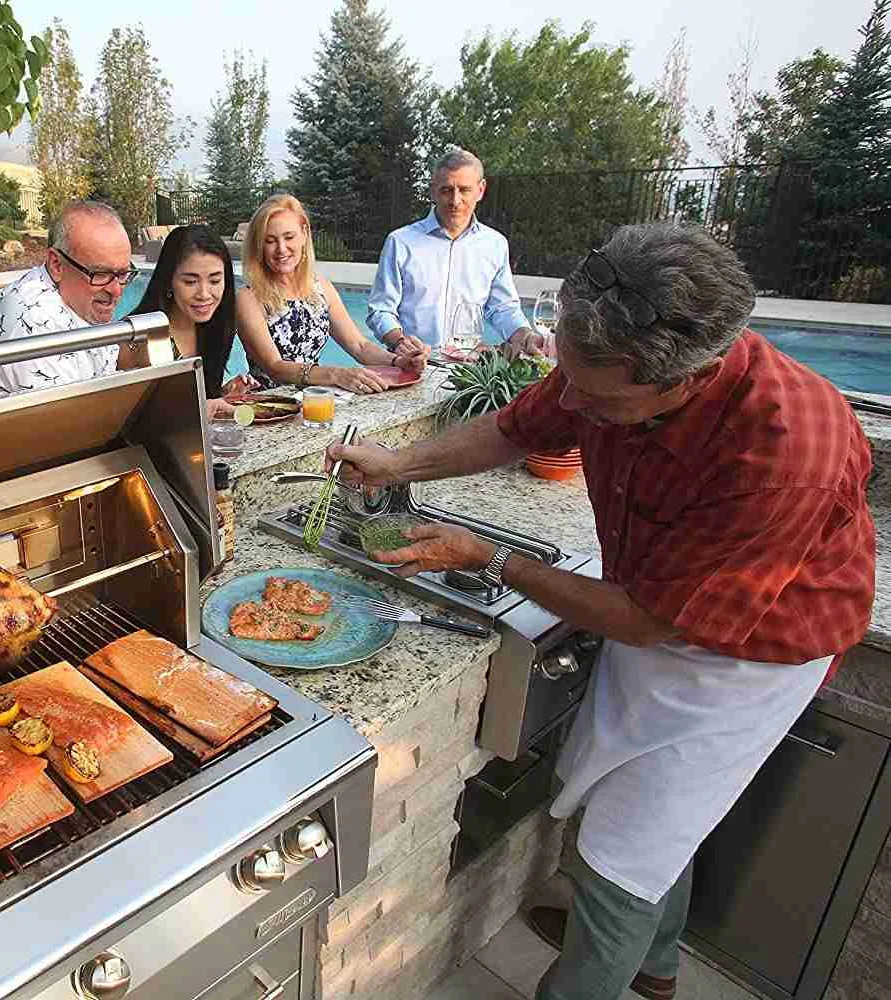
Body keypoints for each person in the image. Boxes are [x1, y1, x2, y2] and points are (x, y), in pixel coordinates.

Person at [326, 222, 874, 1000]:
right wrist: (399, 460)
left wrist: (491, 559)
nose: (572, 402)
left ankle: (604, 966)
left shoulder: (784, 457)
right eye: (571, 378)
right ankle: (656, 967)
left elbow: (656, 622)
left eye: (598, 395)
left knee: (621, 863)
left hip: (751, 657)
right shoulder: (607, 358)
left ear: (691, 379)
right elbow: (520, 427)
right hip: (663, 605)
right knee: (660, 829)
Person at [235, 194, 428, 393]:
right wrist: (336, 375)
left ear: (304, 234)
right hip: (270, 409)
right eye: (270, 241)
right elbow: (274, 367)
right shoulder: (248, 298)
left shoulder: (320, 287)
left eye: (289, 237)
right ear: (259, 246)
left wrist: (398, 361)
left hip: (314, 401)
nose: (281, 249)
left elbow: (359, 346)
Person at [366, 148, 544, 358]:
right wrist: (400, 342)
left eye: (464, 190)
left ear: (481, 190)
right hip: (412, 364)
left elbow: (502, 308)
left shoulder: (495, 245)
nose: (455, 200)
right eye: (446, 190)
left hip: (470, 369)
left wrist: (525, 335)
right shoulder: (401, 242)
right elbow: (381, 310)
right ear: (433, 190)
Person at [0, 200, 138, 402]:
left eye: (123, 273)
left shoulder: (76, 301)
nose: (116, 290)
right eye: (100, 274)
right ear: (57, 264)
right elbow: (69, 426)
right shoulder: (35, 324)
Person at [119, 224, 254, 418]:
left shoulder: (217, 327)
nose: (204, 294)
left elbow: (194, 400)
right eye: (190, 282)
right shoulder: (139, 336)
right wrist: (203, 408)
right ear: (169, 281)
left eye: (215, 281)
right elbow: (128, 419)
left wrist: (224, 394)